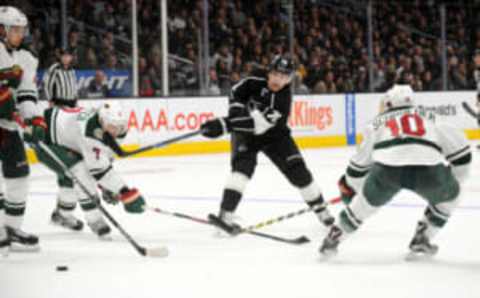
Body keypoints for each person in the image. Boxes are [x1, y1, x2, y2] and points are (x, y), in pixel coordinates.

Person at [320, 84, 472, 258]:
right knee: (451, 198)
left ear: (390, 103)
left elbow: (358, 166)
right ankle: (423, 236)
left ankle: (333, 238)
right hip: (428, 169)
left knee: (362, 206)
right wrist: (454, 180)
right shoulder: (432, 117)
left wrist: (353, 188)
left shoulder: (377, 122)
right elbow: (462, 153)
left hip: (387, 171)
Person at [200, 55, 334, 232]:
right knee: (241, 170)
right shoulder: (255, 78)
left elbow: (257, 125)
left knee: (299, 173)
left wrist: (224, 125)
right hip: (246, 135)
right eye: (276, 74)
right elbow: (236, 93)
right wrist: (236, 111)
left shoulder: (283, 100)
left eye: (285, 77)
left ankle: (322, 212)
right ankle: (225, 215)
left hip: (274, 136)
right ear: (269, 71)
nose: (279, 80)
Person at [28, 102, 147, 238]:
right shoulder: (89, 132)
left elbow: (103, 159)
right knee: (81, 172)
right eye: (112, 127)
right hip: (44, 138)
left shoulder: (110, 127)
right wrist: (124, 192)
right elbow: (99, 171)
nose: (116, 131)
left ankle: (62, 215)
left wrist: (108, 187)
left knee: (70, 177)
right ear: (102, 121)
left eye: (120, 127)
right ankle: (95, 219)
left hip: (67, 141)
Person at [0, 6, 45, 255]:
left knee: (19, 177)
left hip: (7, 126)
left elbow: (27, 92)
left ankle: (11, 229)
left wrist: (34, 119)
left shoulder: (26, 56)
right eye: (14, 29)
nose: (20, 34)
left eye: (21, 29)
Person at [43, 47, 87, 231]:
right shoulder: (54, 69)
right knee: (65, 160)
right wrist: (52, 104)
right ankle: (63, 211)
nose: (67, 58)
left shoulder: (72, 71)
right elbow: (47, 86)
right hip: (58, 109)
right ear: (60, 56)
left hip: (71, 109)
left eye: (70, 55)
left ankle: (63, 211)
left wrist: (76, 105)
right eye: (65, 55)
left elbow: (73, 88)